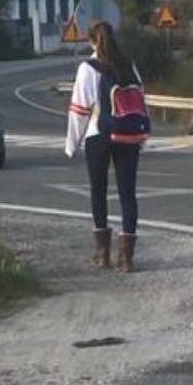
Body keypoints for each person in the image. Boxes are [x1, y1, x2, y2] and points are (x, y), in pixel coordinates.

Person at [64, 21, 144, 272]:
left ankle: (102, 254)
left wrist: (71, 144)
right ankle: (127, 259)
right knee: (127, 194)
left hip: (98, 135)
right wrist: (141, 135)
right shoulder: (128, 64)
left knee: (98, 191)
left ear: (92, 41)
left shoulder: (88, 68)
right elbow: (140, 98)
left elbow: (79, 110)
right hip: (128, 134)